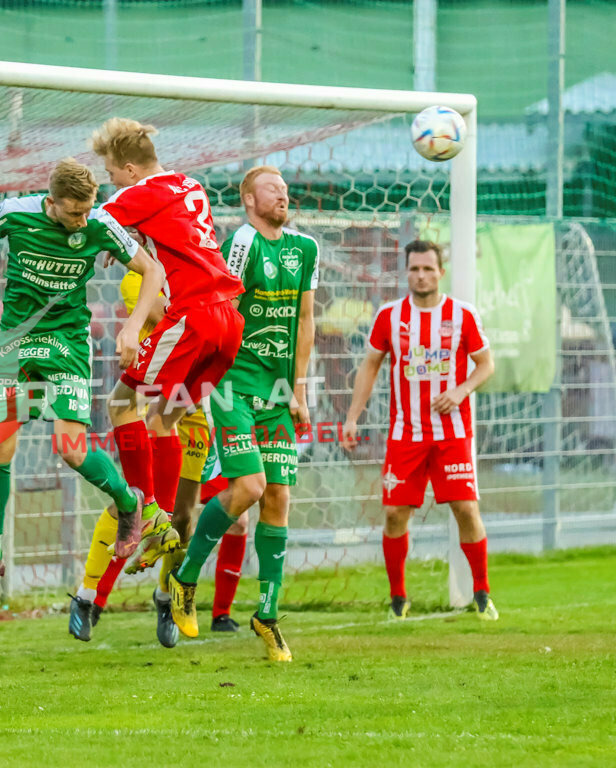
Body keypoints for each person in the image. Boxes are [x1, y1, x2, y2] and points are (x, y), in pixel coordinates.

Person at [0, 158, 164, 609]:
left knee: (70, 449)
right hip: (16, 341)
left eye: (88, 210)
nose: (83, 220)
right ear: (50, 202)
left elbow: (152, 271)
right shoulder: (14, 213)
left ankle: (127, 503)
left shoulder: (99, 222)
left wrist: (132, 327)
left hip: (67, 343)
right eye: (74, 212)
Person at [72, 118, 245, 639]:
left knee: (120, 404)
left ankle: (145, 512)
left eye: (111, 174)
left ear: (129, 168)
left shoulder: (142, 191)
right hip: (228, 322)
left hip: (191, 315)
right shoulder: (188, 184)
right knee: (164, 418)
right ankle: (163, 518)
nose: (111, 183)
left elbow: (87, 219)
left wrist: (101, 235)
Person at [167, 167, 317, 663]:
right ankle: (187, 576)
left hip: (276, 390)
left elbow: (305, 320)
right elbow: (219, 304)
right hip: (235, 384)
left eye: (285, 189)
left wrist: (297, 392)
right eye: (273, 188)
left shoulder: (305, 249)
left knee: (278, 498)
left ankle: (267, 615)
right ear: (249, 198)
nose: (284, 194)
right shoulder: (243, 242)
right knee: (249, 488)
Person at [342, 239, 498, 621]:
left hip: (453, 432)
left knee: (465, 509)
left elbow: (486, 364)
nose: (421, 275)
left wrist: (460, 390)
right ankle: (398, 599)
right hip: (405, 433)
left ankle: (482, 593)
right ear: (406, 272)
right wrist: (353, 416)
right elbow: (371, 366)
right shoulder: (389, 316)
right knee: (395, 514)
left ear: (440, 272)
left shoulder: (463, 315)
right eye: (414, 269)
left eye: (428, 268)